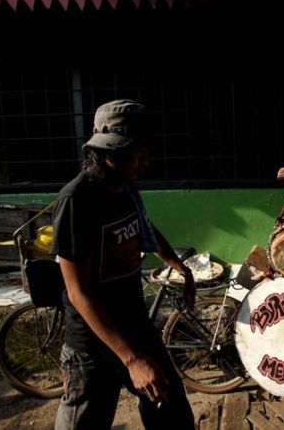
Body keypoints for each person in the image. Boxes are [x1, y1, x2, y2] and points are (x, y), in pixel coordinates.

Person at [52, 99, 197, 429]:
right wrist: (131, 359)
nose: (147, 158)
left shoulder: (125, 188)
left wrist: (180, 267)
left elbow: (144, 226)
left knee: (173, 416)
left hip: (136, 326)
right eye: (139, 150)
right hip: (93, 344)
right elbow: (78, 293)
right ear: (112, 152)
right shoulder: (77, 201)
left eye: (147, 149)